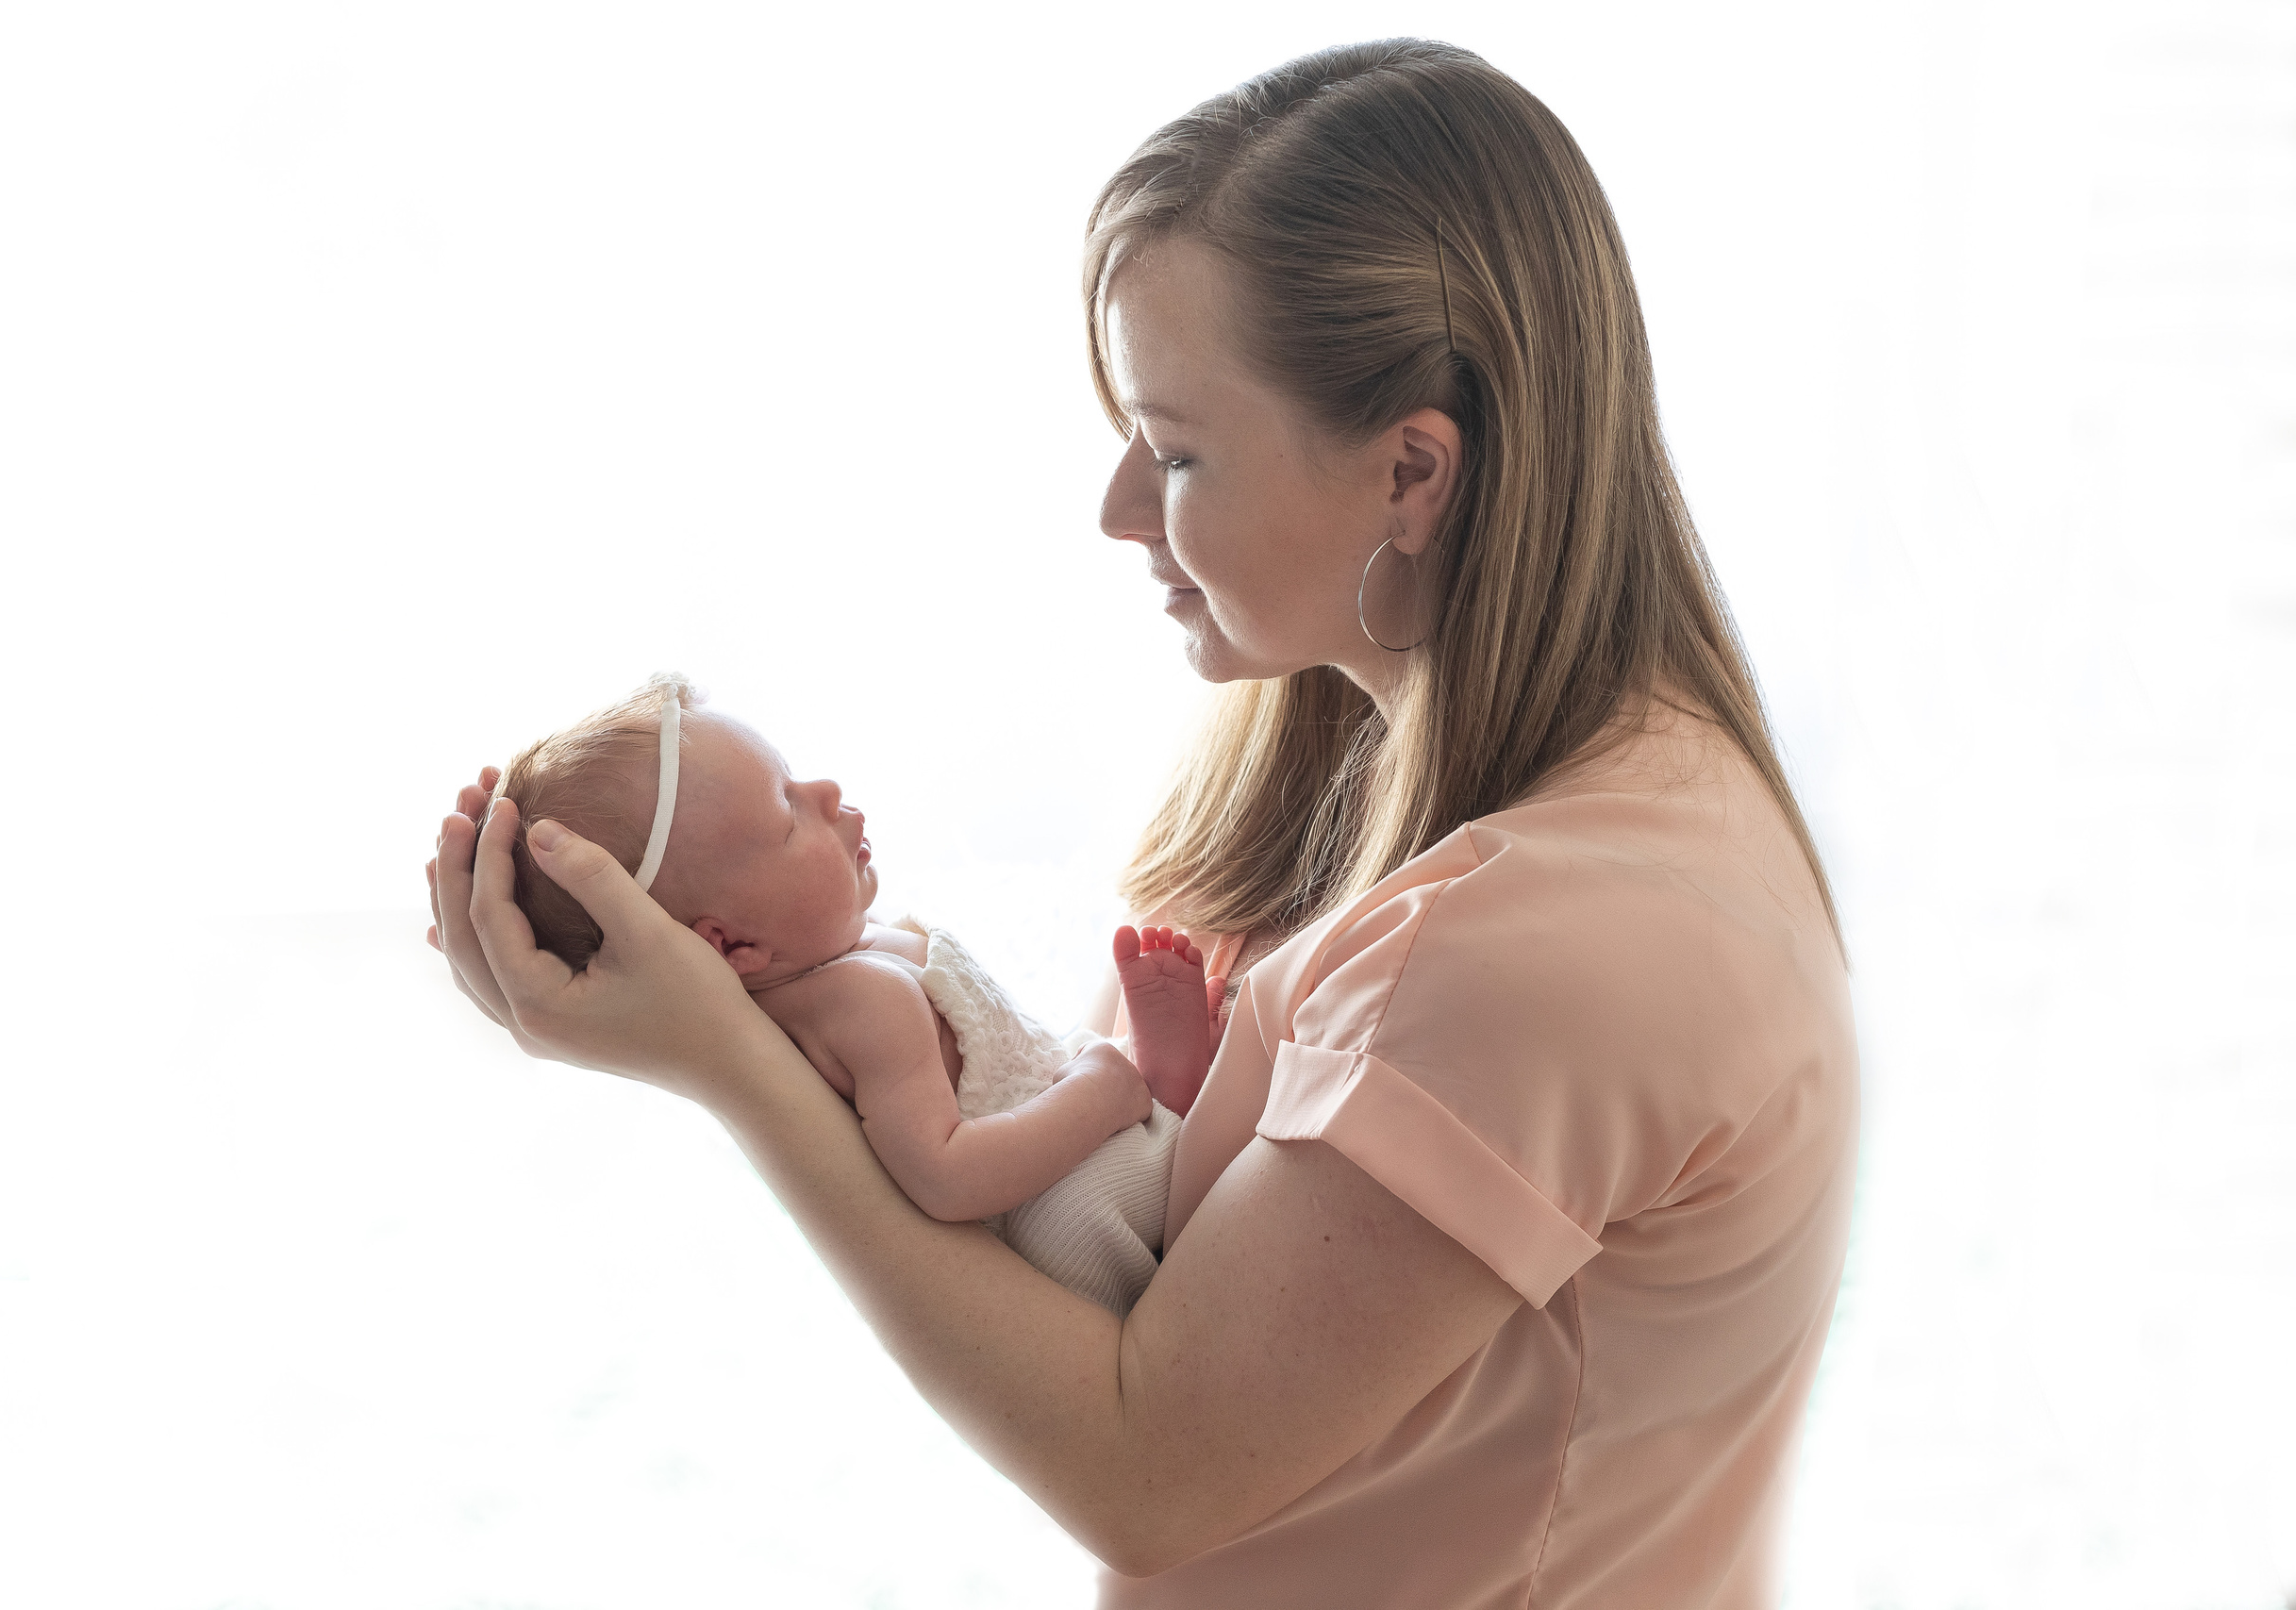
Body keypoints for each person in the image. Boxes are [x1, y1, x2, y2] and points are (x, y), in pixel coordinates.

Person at [428, 38, 1855, 1606]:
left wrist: (731, 1058)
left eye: (1175, 450)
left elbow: (1144, 1464)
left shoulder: (1544, 938)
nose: (1118, 507)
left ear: (1413, 471)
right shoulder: (1376, 783)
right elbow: (1112, 1263)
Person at [489, 670, 1223, 1316]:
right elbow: (949, 1175)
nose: (826, 792)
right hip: (1054, 1206)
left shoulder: (832, 960)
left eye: (795, 775)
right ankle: (1158, 1095)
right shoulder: (863, 1004)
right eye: (787, 812)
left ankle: (1149, 1092)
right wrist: (1101, 1091)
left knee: (1085, 1072)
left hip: (1038, 1105)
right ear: (734, 946)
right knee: (1102, 1197)